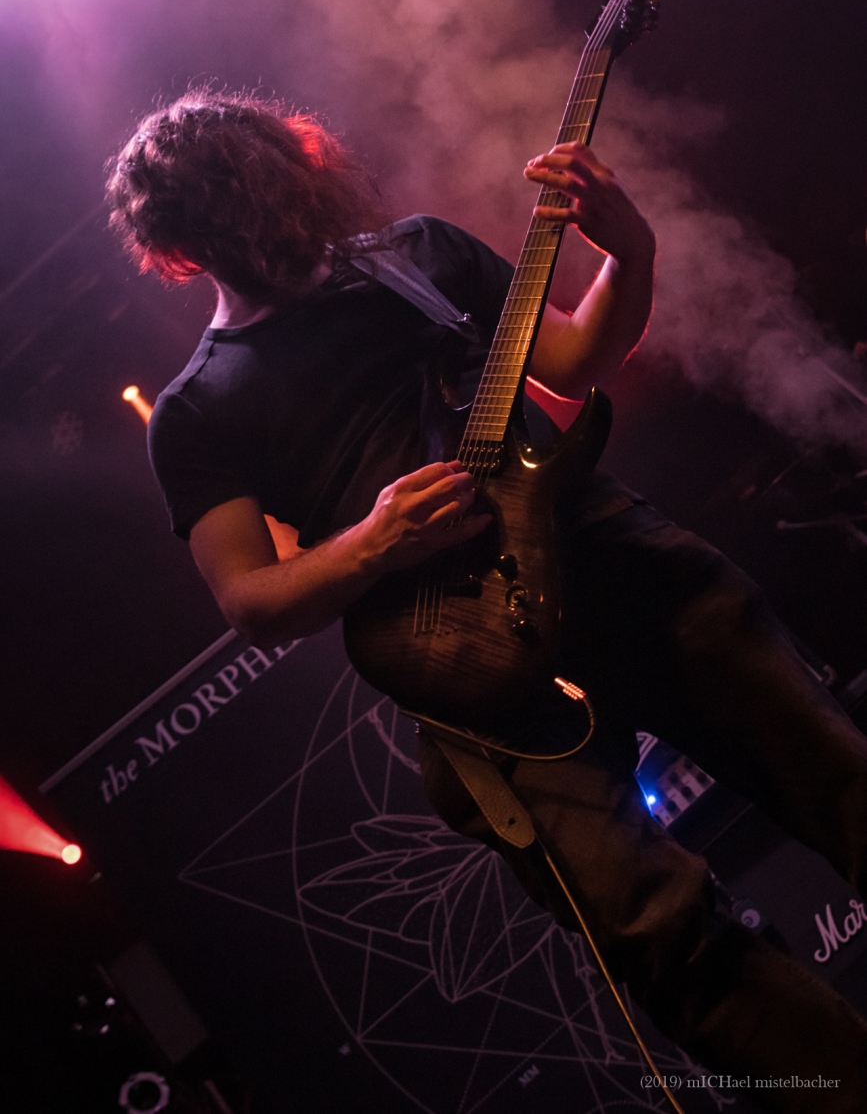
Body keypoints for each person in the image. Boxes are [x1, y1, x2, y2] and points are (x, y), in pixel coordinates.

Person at [108, 87, 867, 1111]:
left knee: (836, 773)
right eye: (220, 220)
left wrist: (629, 251)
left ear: (297, 168)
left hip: (614, 561)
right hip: (469, 664)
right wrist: (374, 541)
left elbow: (577, 359)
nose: (255, 226)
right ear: (180, 250)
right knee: (660, 933)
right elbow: (251, 597)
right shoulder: (196, 409)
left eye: (256, 194)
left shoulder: (416, 255)